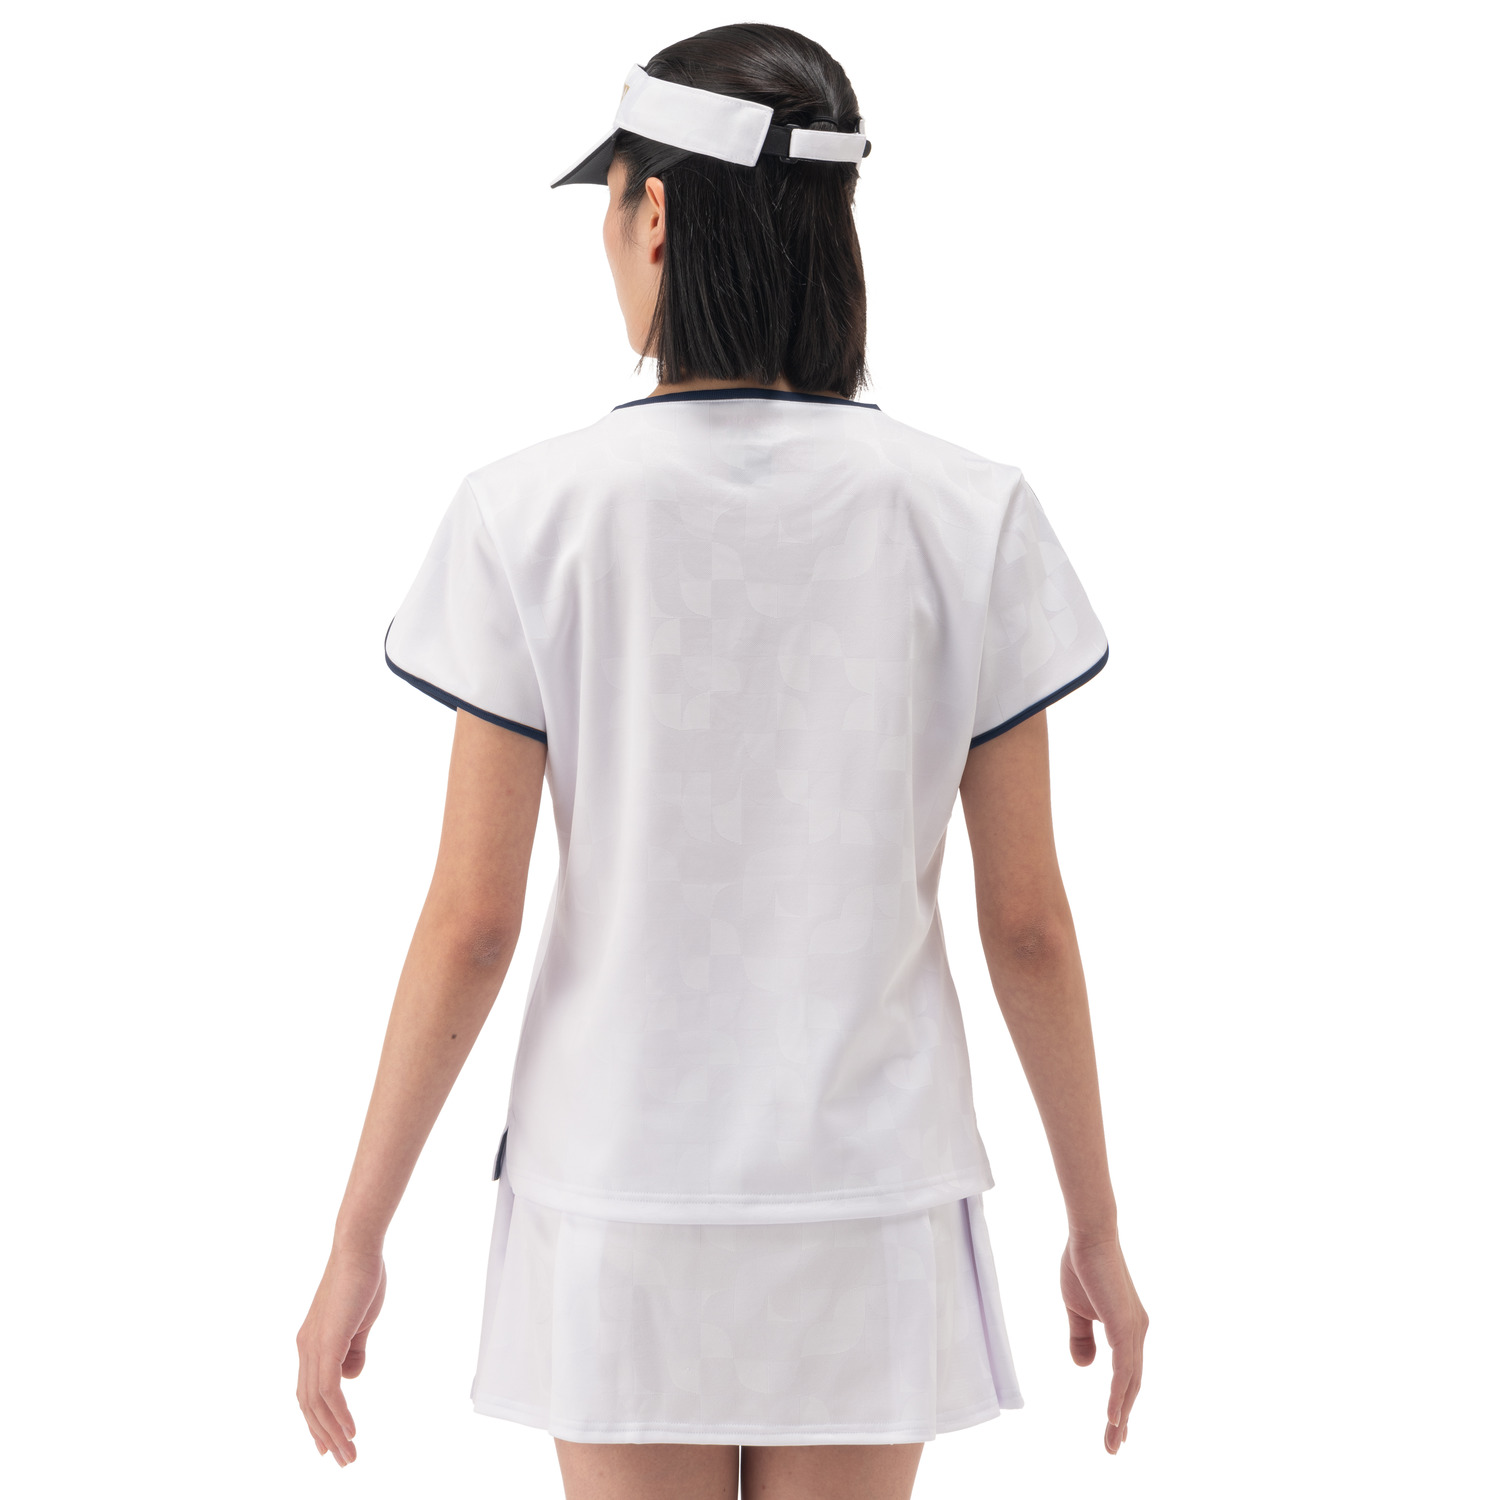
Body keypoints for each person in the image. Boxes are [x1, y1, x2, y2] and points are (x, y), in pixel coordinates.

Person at [296, 23, 1146, 1500]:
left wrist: (357, 1234)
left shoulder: (528, 514)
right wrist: (1097, 1226)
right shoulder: (971, 514)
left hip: (614, 1195)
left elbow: (473, 920)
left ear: (657, 216)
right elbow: (1027, 924)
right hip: (871, 1193)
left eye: (610, 198)